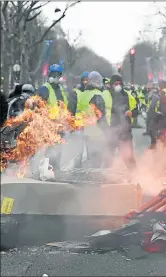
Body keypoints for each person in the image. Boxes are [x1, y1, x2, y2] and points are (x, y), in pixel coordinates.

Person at [108, 73, 137, 169]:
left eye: (119, 83)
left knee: (128, 157)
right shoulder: (106, 95)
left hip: (125, 131)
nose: (117, 86)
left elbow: (136, 110)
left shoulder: (128, 96)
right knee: (108, 158)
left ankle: (135, 176)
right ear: (111, 84)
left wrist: (131, 112)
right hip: (110, 131)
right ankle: (107, 178)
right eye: (115, 84)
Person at [149, 80, 166, 148]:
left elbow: (162, 101)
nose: (159, 87)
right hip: (160, 116)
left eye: (160, 85)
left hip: (162, 117)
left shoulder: (163, 91)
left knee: (156, 133)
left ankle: (155, 148)